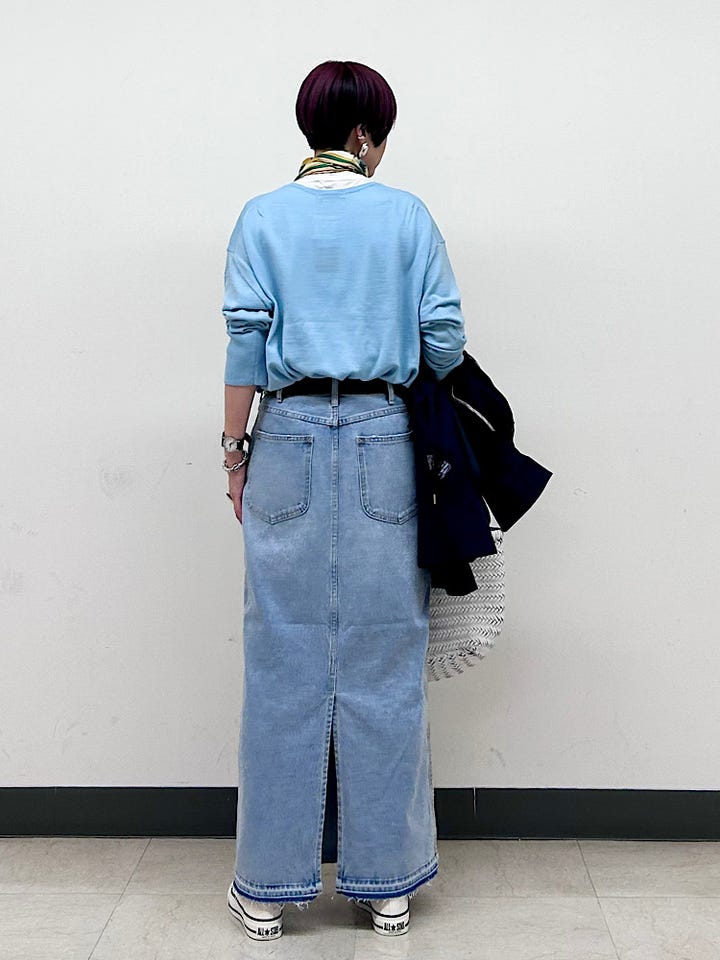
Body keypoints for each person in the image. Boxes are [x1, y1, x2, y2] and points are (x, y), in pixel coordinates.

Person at [222, 60, 467, 941]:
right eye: (382, 132)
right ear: (364, 133)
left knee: (279, 662)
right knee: (386, 658)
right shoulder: (406, 215)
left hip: (285, 437)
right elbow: (444, 338)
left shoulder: (262, 216)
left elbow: (245, 342)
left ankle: (266, 889)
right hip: (381, 440)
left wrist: (234, 454)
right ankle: (386, 884)